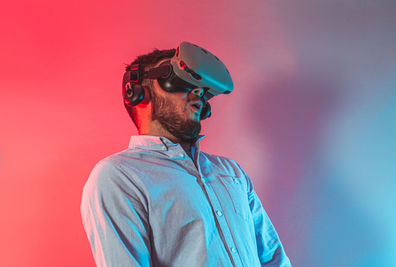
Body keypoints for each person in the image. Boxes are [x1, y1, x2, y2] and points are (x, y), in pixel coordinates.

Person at [80, 42, 292, 267]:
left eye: (200, 89)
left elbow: (273, 258)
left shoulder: (231, 172)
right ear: (137, 92)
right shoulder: (119, 177)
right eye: (180, 81)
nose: (197, 95)